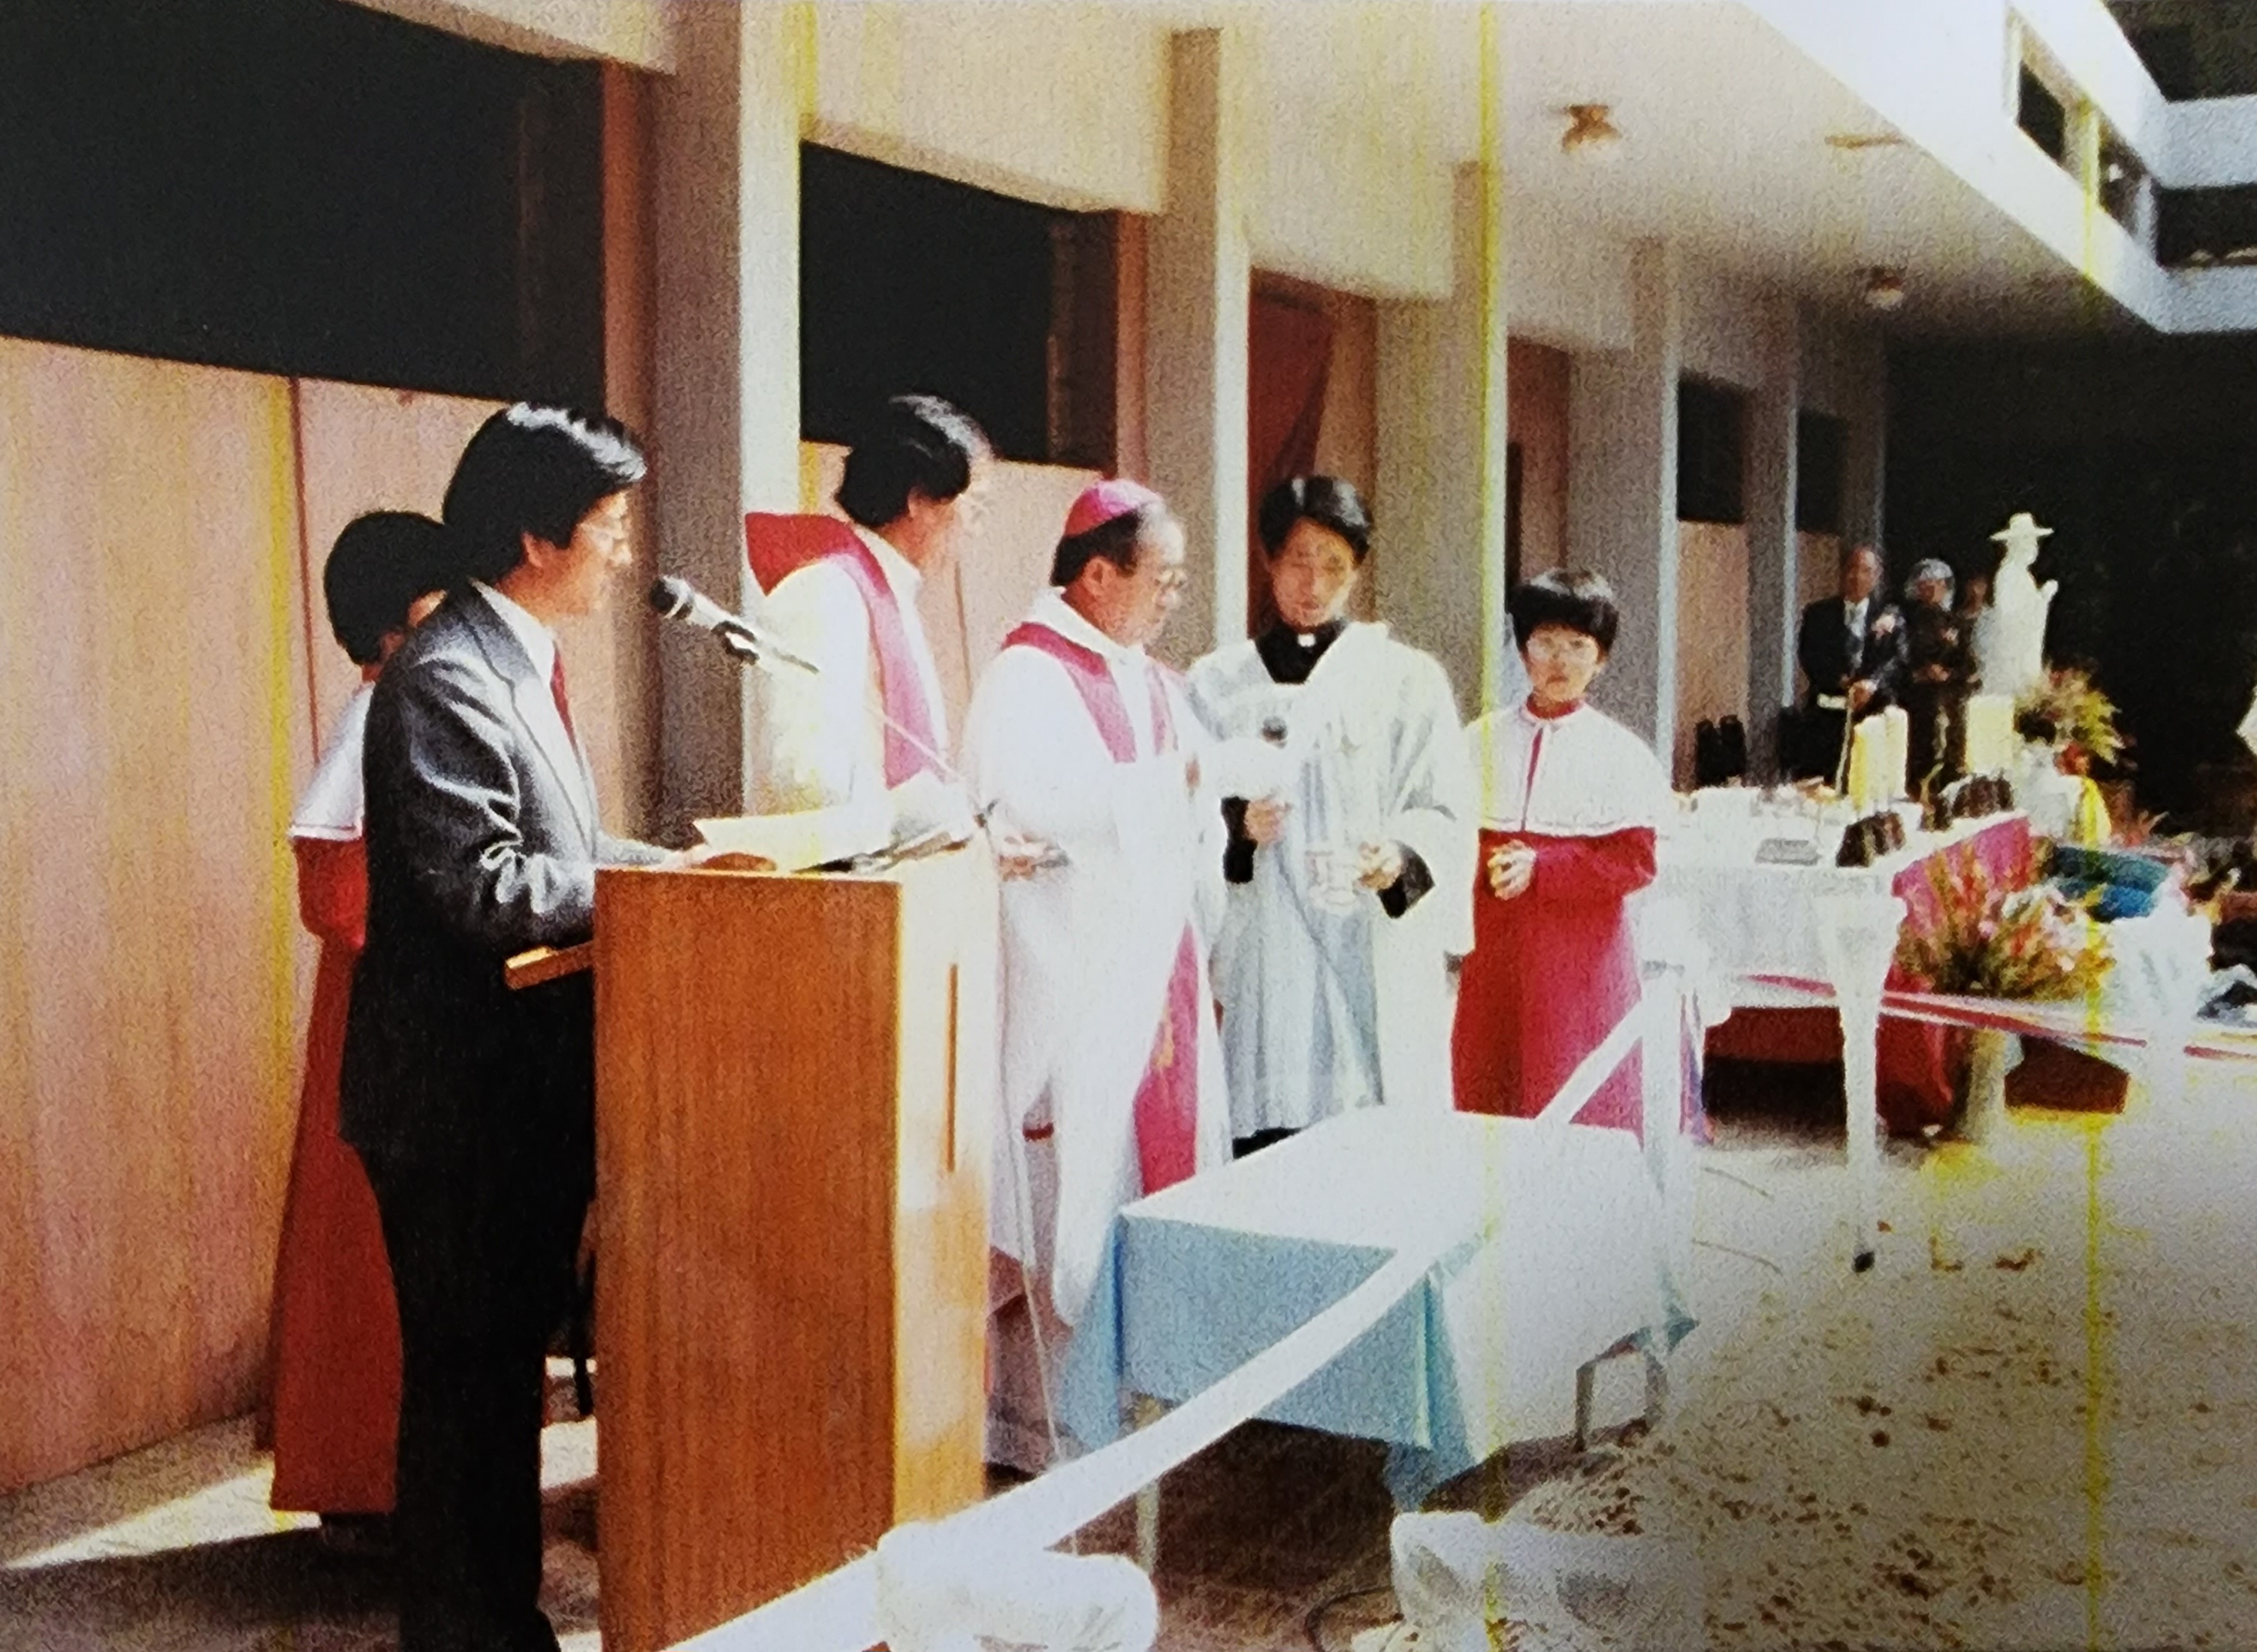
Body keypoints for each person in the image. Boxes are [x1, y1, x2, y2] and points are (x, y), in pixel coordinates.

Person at [340, 404, 669, 1652]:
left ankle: (497, 1624)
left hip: (510, 1097)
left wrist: (679, 863)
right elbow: (482, 883)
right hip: (452, 1105)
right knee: (467, 1389)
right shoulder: (447, 674)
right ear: (537, 536)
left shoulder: (513, 653)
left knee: (493, 1387)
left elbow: (560, 851)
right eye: (610, 526)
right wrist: (645, 885)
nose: (624, 551)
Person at [959, 479, 1232, 1471]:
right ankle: (1045, 1433)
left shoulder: (1153, 680)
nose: (1172, 598)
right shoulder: (1026, 677)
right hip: (1067, 990)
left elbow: (1196, 818)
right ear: (1098, 574)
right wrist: (1165, 789)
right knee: (1065, 1189)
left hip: (1155, 978)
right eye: (1162, 578)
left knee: (1139, 1180)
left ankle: (1136, 1414)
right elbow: (1018, 821)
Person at [1186, 477, 1476, 1151]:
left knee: (1370, 1140)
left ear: (1359, 569)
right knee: (1270, 1134)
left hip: (1367, 935)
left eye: (1334, 565)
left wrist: (1399, 856)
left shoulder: (1406, 679)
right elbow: (1186, 806)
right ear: (1268, 559)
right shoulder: (1218, 683)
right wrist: (1237, 828)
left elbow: (1444, 807)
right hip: (1269, 942)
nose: (1313, 585)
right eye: (1297, 561)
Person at [264, 512, 449, 1542]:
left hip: (415, 1006)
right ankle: (365, 1483)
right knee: (369, 1251)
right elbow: (333, 891)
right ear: (392, 622)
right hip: (380, 1011)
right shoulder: (379, 713)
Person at [1453, 570, 1669, 1132]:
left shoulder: (1620, 753)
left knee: (1574, 1092)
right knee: (1491, 1094)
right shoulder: (1480, 740)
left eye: (1578, 645)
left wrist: (1545, 866)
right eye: (1545, 642)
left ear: (1601, 659)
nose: (1560, 660)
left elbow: (1635, 861)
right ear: (1523, 649)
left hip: (1580, 958)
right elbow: (1450, 836)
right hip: (1496, 950)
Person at [748, 394, 991, 828]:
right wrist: (935, 813)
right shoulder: (827, 592)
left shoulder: (891, 593)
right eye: (975, 508)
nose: (975, 530)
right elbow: (806, 781)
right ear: (919, 501)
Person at [1793, 542, 1902, 780]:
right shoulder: (1818, 613)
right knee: (1824, 779)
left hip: (1872, 713)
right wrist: (1838, 679)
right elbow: (1809, 654)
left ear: (1877, 576)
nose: (1857, 577)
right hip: (1828, 714)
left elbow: (1897, 658)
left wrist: (1872, 684)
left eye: (1866, 571)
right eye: (1852, 569)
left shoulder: (1888, 615)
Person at [1899, 557, 1980, 797]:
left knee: (1950, 761)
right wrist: (1921, 672)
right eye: (1926, 584)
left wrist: (1948, 674)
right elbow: (1899, 660)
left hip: (1949, 705)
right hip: (1918, 704)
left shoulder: (1954, 623)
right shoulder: (1906, 621)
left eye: (1938, 583)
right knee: (1919, 757)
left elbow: (1969, 666)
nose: (1933, 589)